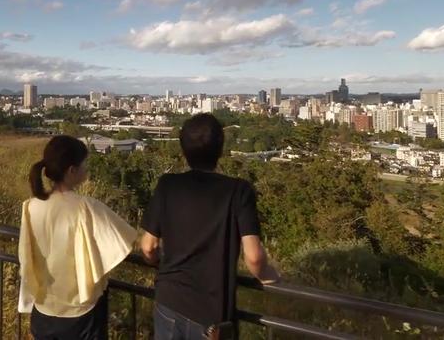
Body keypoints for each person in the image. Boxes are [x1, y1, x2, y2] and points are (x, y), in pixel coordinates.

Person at [140, 113, 280, 340]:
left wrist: (162, 265)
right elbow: (254, 258)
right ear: (220, 148)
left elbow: (148, 247)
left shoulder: (168, 185)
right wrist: (272, 278)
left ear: (183, 149)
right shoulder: (239, 191)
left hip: (168, 302)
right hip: (210, 316)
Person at [18, 135, 137, 340]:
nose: (87, 170)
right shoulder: (86, 207)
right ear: (72, 171)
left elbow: (26, 253)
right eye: (84, 165)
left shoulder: (30, 206)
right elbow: (126, 239)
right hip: (81, 312)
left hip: (44, 308)